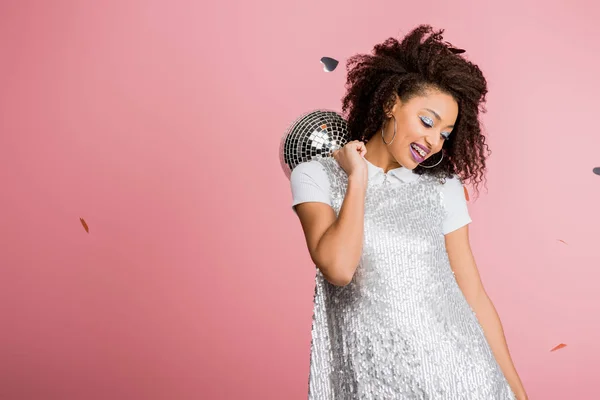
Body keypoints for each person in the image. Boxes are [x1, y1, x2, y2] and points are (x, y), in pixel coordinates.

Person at [289, 25, 527, 399]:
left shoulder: (442, 188)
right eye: (427, 122)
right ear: (391, 103)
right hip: (373, 384)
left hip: (466, 378)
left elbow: (474, 294)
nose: (434, 142)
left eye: (445, 134)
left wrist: (516, 389)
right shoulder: (317, 175)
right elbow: (338, 268)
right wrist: (358, 179)